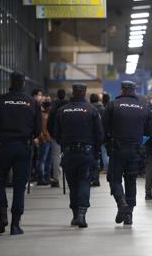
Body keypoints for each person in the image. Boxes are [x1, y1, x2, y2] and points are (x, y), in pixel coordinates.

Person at [0, 71, 42, 235]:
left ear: (10, 82)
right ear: (24, 83)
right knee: (19, 187)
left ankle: (2, 216)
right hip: (23, 148)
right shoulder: (32, 102)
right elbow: (38, 129)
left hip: (3, 146)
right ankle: (15, 225)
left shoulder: (0, 101)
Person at [103, 81, 152, 226]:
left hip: (117, 150)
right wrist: (139, 142)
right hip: (135, 151)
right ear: (134, 90)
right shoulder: (144, 107)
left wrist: (107, 143)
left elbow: (103, 128)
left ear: (122, 90)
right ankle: (129, 214)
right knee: (131, 180)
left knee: (115, 179)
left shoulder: (112, 105)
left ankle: (121, 204)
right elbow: (149, 131)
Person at [55, 84, 103, 228]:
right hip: (86, 153)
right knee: (83, 181)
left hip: (69, 153)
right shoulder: (92, 110)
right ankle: (82, 214)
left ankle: (75, 215)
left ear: (73, 93)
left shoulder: (62, 110)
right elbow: (99, 134)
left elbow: (56, 134)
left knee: (73, 185)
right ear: (85, 93)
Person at [47, 89, 69, 188]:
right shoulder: (69, 106)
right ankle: (70, 177)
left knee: (55, 157)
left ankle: (56, 179)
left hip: (55, 136)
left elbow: (49, 123)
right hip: (68, 136)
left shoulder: (53, 107)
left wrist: (52, 134)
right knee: (69, 156)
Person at [89, 93, 105, 187]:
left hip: (91, 137)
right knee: (98, 156)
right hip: (100, 135)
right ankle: (96, 178)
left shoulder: (89, 109)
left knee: (91, 158)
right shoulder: (102, 109)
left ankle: (92, 177)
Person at [36, 96, 53, 185]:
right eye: (46, 101)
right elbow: (39, 127)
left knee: (49, 160)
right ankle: (40, 178)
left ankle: (47, 177)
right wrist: (42, 137)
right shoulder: (40, 113)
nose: (48, 102)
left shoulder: (49, 112)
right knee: (42, 159)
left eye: (49, 101)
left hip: (50, 139)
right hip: (44, 139)